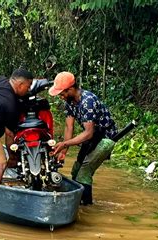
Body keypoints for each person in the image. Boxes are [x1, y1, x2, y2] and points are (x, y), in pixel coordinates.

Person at [49, 72, 118, 205]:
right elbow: (69, 127)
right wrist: (64, 151)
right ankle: (78, 203)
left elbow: (88, 133)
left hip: (105, 138)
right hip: (92, 138)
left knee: (84, 172)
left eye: (62, 93)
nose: (60, 97)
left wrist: (64, 144)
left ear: (70, 89)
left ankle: (87, 207)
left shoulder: (87, 101)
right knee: (75, 170)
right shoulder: (70, 102)